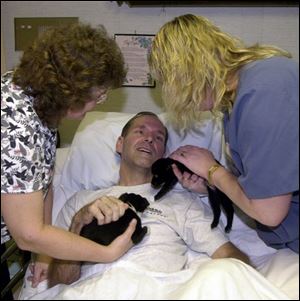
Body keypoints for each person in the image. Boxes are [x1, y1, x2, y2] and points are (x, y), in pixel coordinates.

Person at [1, 22, 136, 296]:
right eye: (98, 96)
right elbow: (29, 234)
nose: (100, 102)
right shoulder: (19, 128)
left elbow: (42, 183)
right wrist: (107, 253)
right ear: (69, 92)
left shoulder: (37, 98)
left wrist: (44, 254)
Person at [148, 14, 299, 253]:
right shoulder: (237, 101)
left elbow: (269, 212)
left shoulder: (263, 93)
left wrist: (213, 170)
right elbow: (266, 185)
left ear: (185, 73)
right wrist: (211, 185)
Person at [47, 112, 249, 287]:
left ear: (163, 154)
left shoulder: (181, 202)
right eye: (140, 132)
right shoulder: (79, 203)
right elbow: (58, 282)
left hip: (154, 289)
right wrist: (78, 225)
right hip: (89, 291)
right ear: (120, 143)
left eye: (158, 137)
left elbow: (230, 258)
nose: (149, 139)